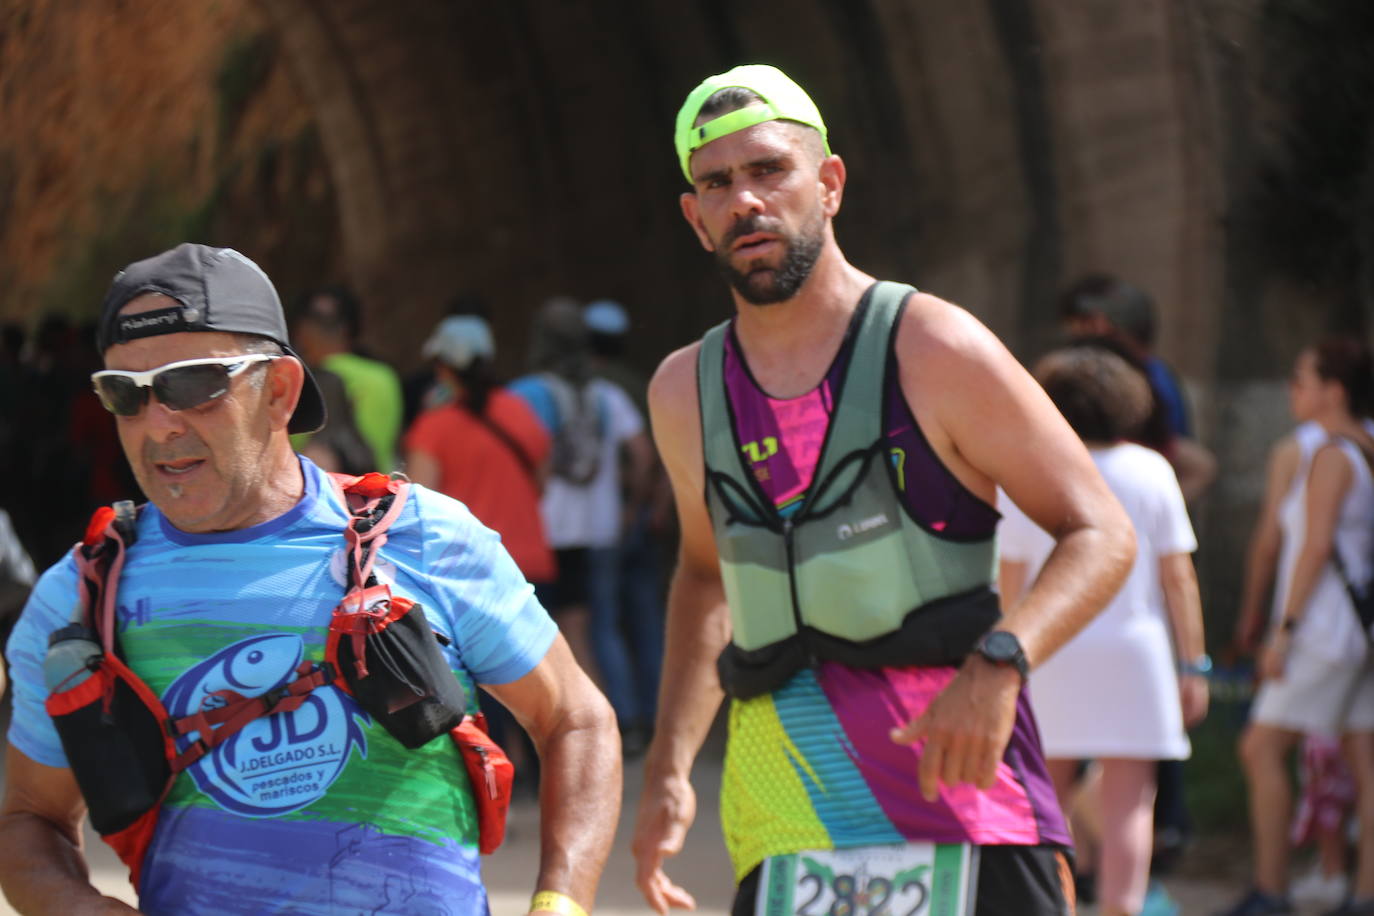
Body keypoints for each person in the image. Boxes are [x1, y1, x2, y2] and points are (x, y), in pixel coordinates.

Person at [631, 64, 1136, 915]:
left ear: (828, 183)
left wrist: (1001, 665)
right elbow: (710, 575)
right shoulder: (685, 391)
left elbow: (1101, 530)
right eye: (717, 184)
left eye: (768, 170)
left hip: (968, 806)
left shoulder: (933, 346)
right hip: (784, 816)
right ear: (694, 216)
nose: (745, 201)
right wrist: (669, 771)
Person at [0, 244, 620, 915]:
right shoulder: (82, 595)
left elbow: (575, 720)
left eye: (192, 383)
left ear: (281, 391)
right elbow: (30, 817)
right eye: (125, 393)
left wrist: (561, 901)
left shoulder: (423, 537)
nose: (159, 424)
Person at [998, 346, 1209, 916]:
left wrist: (996, 662)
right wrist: (1194, 665)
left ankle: (1048, 904)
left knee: (1041, 799)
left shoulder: (1028, 467)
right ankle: (1123, 908)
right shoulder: (1153, 470)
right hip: (1136, 655)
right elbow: (1178, 578)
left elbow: (1007, 585)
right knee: (1130, 806)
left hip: (1047, 648)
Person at [1219, 337, 1374, 916]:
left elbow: (1311, 549)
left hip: (1325, 631)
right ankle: (1362, 894)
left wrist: (1280, 632)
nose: (1293, 391)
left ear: (1334, 390)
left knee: (1260, 747)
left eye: (1301, 380)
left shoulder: (1331, 454)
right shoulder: (1365, 445)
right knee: (1365, 757)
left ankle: (1270, 888)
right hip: (1357, 633)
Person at [509, 298, 656, 750]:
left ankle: (549, 736)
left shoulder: (524, 395)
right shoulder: (607, 395)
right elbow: (643, 453)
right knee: (597, 629)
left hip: (546, 530)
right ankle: (614, 724)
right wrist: (632, 504)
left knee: (531, 638)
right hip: (599, 528)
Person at [1060, 274, 1216, 503]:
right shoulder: (1157, 373)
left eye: (1079, 324)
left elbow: (1190, 461)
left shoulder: (1148, 378)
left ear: (1099, 324)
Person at [291, 286, 405, 472]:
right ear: (350, 329)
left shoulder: (306, 379)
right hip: (377, 493)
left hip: (325, 492)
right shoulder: (385, 376)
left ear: (303, 331)